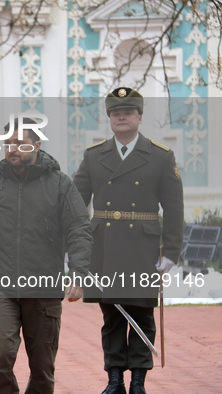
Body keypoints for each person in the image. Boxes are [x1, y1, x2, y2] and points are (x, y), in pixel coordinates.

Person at [0, 118, 93, 394]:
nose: (12, 149)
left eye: (19, 143)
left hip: (44, 289)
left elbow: (79, 230)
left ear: (37, 145)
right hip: (2, 287)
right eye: (7, 143)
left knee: (43, 367)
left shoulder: (60, 185)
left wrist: (79, 272)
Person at [73, 87, 184, 394]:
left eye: (127, 112)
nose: (121, 117)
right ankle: (113, 379)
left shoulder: (161, 156)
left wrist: (171, 253)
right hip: (104, 247)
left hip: (143, 249)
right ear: (110, 119)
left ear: (139, 117)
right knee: (111, 317)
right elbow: (74, 204)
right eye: (115, 113)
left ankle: (137, 380)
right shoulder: (94, 156)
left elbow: (174, 208)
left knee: (141, 313)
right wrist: (73, 247)